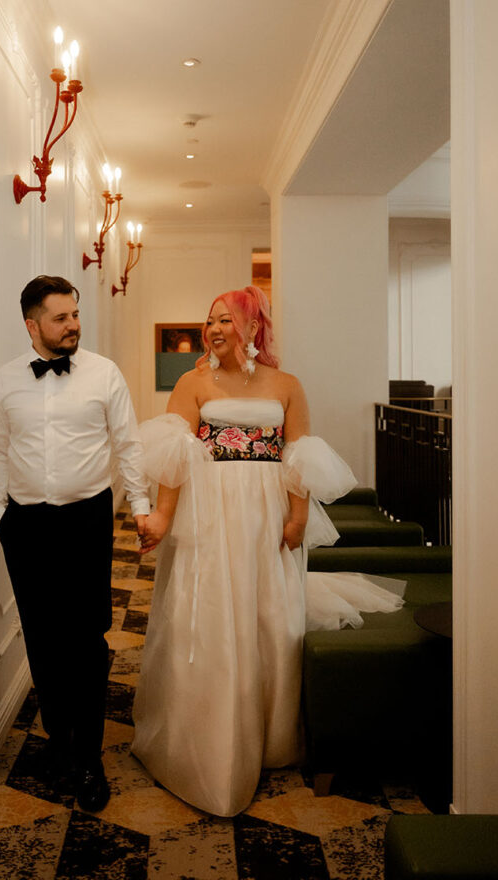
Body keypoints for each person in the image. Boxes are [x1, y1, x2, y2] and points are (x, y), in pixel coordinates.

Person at [132, 286, 403, 817]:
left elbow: (299, 452)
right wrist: (163, 516)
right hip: (209, 509)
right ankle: (206, 733)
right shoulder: (191, 383)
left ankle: (272, 735)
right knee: (209, 612)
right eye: (209, 321)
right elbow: (176, 457)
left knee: (269, 614)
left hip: (266, 512)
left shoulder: (286, 385)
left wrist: (298, 515)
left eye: (225, 321)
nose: (213, 330)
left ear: (254, 328)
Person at [0, 275, 149, 812]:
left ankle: (89, 756)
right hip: (26, 525)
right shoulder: (5, 379)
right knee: (43, 640)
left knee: (87, 640)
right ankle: (59, 747)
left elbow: (128, 444)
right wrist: (0, 516)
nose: (73, 325)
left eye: (75, 315)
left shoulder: (104, 373)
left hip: (86, 519)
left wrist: (143, 510)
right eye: (60, 318)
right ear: (32, 325)